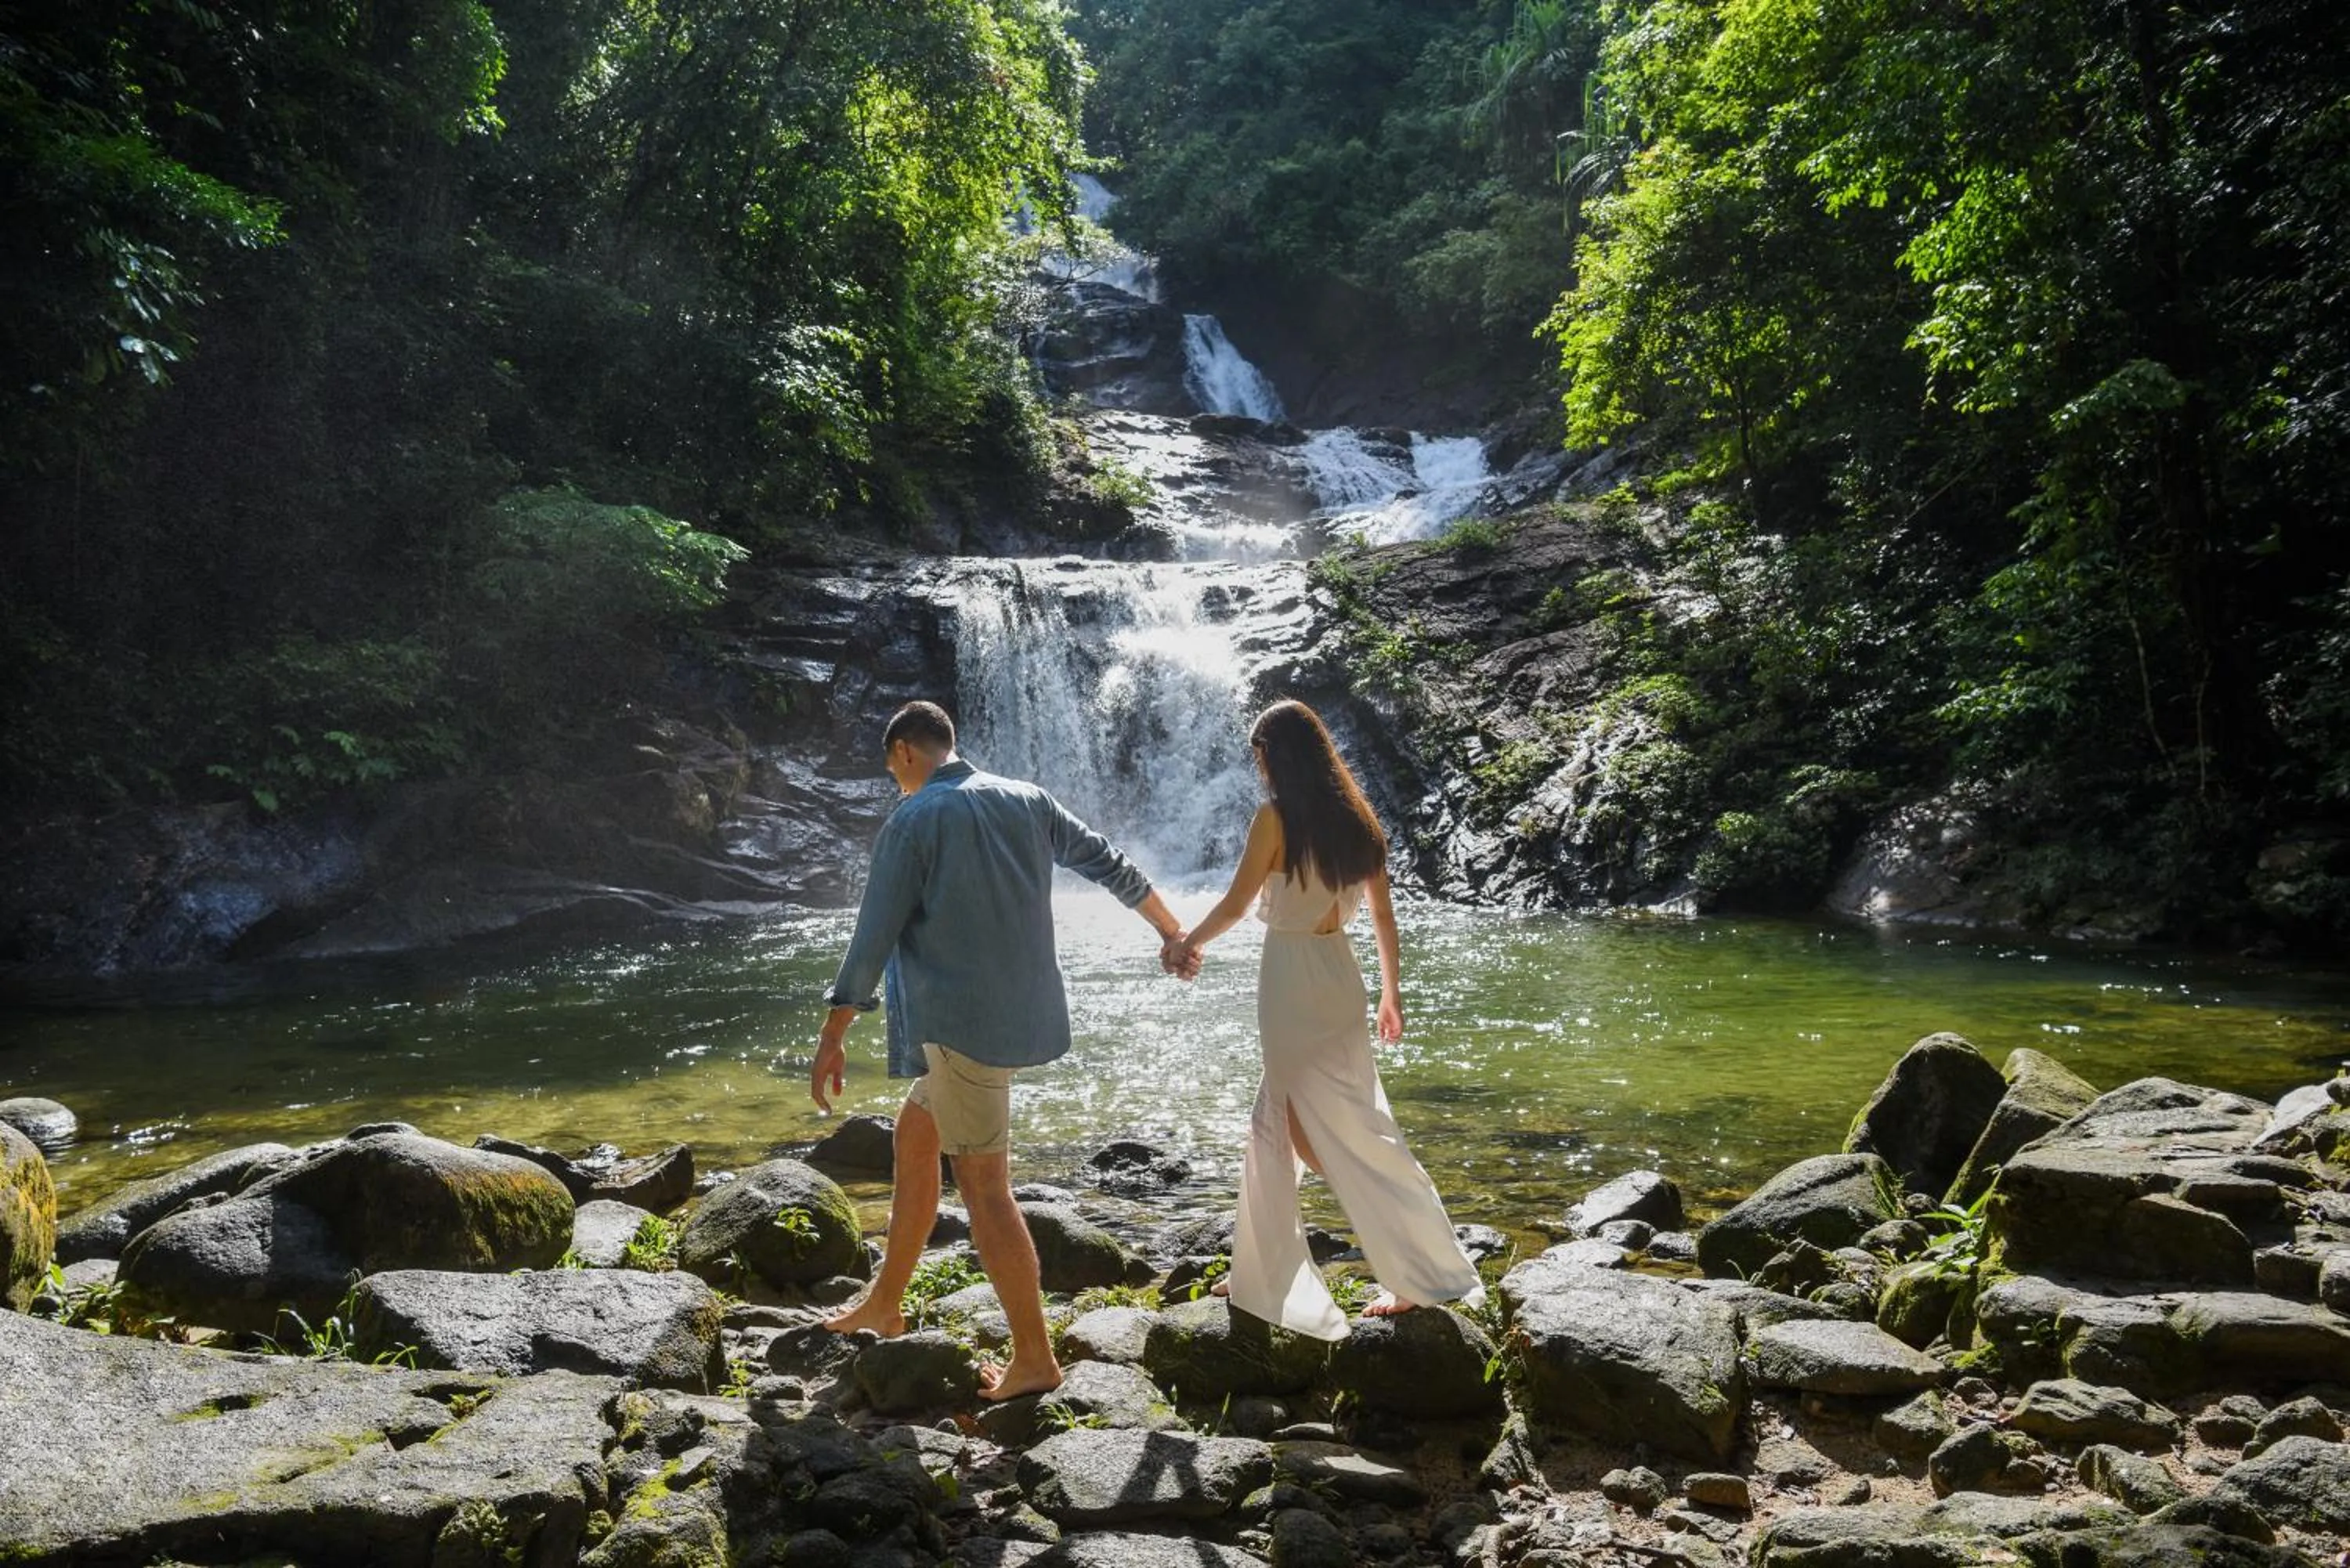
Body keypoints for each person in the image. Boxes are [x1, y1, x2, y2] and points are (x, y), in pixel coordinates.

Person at [811, 699, 1195, 1400]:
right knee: (915, 1136)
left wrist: (835, 1032)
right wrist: (1172, 932)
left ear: (903, 754)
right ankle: (884, 1302)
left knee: (986, 1189)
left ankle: (1034, 1358)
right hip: (1019, 1018)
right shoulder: (1028, 798)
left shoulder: (915, 816)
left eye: (893, 770)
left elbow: (873, 935)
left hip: (961, 1029)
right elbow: (1108, 862)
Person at [1164, 698, 1480, 1340]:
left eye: (1260, 757)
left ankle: (1405, 1265)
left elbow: (1235, 902)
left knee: (1316, 1130)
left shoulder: (1276, 819)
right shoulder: (1358, 820)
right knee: (1293, 1119)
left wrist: (1186, 942)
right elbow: (1385, 918)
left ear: (1276, 757)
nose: (1258, 769)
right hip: (1341, 975)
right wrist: (1392, 993)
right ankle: (1261, 1270)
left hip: (1292, 977)